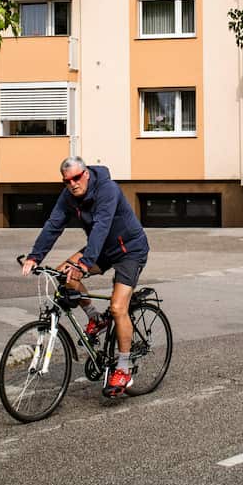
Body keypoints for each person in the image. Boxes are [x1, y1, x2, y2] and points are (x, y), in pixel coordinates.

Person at [22, 156, 150, 397]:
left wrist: (84, 263)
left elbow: (102, 226)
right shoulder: (68, 196)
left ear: (87, 174)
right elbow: (53, 225)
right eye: (66, 180)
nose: (72, 183)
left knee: (117, 307)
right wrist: (34, 257)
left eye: (76, 178)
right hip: (101, 249)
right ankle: (95, 318)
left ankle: (123, 368)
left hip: (129, 249)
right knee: (64, 274)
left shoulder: (107, 189)